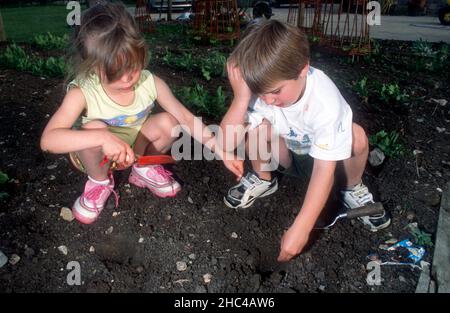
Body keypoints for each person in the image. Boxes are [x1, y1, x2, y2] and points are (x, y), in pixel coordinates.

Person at [40, 3, 242, 224]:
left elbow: (185, 118)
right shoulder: (82, 92)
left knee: (170, 121)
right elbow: (48, 141)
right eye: (115, 72)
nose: (127, 78)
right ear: (92, 66)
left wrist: (222, 151)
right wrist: (103, 138)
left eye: (133, 66)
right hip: (97, 156)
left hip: (136, 149)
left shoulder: (150, 82)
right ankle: (99, 183)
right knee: (93, 128)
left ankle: (143, 167)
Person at [219, 20, 391, 262]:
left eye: (276, 92)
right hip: (290, 157)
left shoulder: (324, 101)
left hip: (330, 164)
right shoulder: (264, 89)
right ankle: (263, 178)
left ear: (302, 69)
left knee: (357, 137)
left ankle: (351, 188)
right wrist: (241, 98)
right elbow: (226, 142)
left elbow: (324, 170)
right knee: (258, 130)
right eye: (260, 92)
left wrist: (301, 227)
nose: (267, 100)